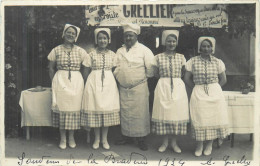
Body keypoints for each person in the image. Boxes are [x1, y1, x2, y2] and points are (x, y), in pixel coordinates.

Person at [184, 36, 229, 156]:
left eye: (208, 46)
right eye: (203, 46)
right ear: (200, 48)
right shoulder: (192, 61)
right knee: (199, 118)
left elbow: (223, 79)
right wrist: (196, 87)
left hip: (215, 93)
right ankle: (199, 145)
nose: (206, 48)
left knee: (213, 119)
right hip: (198, 92)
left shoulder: (217, 62)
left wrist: (214, 88)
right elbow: (186, 78)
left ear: (211, 48)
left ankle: (209, 145)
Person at [114, 23, 154, 151]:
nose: (128, 38)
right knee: (126, 114)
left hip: (139, 88)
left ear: (136, 36)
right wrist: (120, 77)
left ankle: (141, 139)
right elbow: (115, 66)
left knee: (140, 114)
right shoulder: (120, 51)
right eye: (126, 36)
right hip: (123, 88)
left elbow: (151, 69)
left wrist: (138, 80)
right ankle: (127, 137)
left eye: (130, 36)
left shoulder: (144, 50)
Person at [48, 24, 88, 149]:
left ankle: (71, 137)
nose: (70, 35)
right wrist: (54, 81)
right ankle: (63, 138)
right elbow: (50, 67)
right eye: (68, 32)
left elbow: (86, 67)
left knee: (73, 109)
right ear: (64, 34)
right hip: (60, 81)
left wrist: (84, 81)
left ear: (76, 36)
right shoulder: (56, 50)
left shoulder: (81, 51)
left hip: (76, 82)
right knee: (62, 109)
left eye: (73, 33)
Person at [81, 28, 120, 150]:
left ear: (108, 40)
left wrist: (112, 83)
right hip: (94, 83)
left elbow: (116, 71)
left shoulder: (113, 55)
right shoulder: (91, 54)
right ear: (96, 40)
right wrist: (88, 85)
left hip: (109, 84)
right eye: (100, 38)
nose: (102, 40)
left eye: (105, 38)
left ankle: (104, 139)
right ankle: (97, 139)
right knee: (96, 109)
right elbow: (86, 71)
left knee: (106, 110)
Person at [151, 30, 189, 153]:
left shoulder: (181, 57)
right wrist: (165, 81)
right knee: (164, 113)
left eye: (173, 41)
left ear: (176, 43)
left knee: (176, 114)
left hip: (178, 87)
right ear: (164, 42)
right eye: (169, 41)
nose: (171, 43)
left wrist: (174, 81)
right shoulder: (158, 57)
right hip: (163, 86)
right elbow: (155, 73)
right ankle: (164, 142)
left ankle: (174, 143)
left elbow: (184, 72)